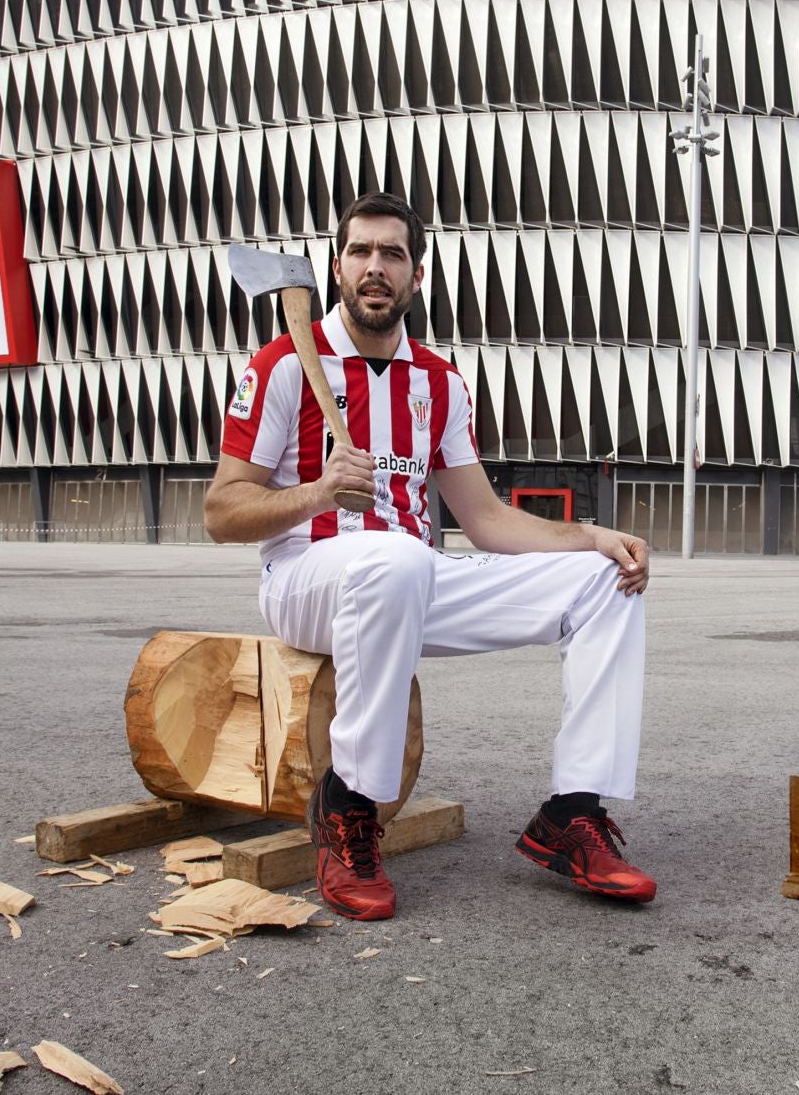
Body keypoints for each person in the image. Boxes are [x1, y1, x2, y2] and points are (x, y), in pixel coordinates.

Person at [202, 192, 655, 921]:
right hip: (306, 581)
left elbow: (484, 519)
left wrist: (595, 537)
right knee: (396, 559)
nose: (375, 267)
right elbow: (222, 512)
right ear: (336, 268)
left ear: (417, 275)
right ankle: (347, 806)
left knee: (605, 581)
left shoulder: (438, 382)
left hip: (414, 578)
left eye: (392, 253)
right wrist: (319, 491)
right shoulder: (287, 362)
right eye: (360, 252)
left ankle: (571, 814)